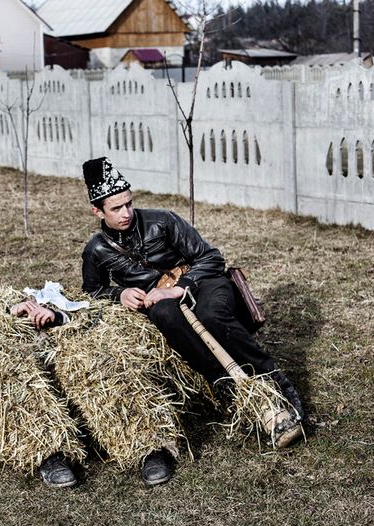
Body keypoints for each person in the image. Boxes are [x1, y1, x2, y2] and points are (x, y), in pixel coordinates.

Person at [79, 157, 305, 434]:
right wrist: (121, 293)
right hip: (160, 303)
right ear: (97, 211)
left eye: (129, 203)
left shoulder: (162, 220)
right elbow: (92, 292)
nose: (126, 212)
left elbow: (211, 258)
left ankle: (274, 378)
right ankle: (228, 389)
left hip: (202, 282)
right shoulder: (96, 250)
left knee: (211, 314)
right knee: (165, 315)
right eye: (116, 208)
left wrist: (179, 286)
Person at [0, 286, 201, 488]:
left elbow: (87, 310)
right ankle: (50, 454)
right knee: (5, 373)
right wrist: (12, 313)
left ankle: (148, 447)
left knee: (99, 364)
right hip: (12, 346)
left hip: (61, 339)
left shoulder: (56, 294)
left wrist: (55, 315)